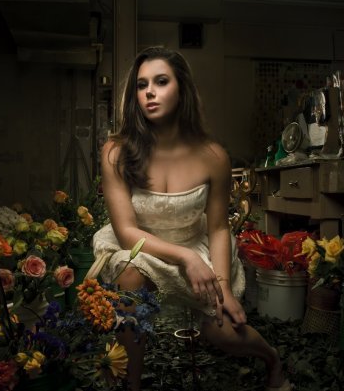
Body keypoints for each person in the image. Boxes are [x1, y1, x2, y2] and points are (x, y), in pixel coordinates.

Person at [92, 46, 291, 391]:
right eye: (141, 85)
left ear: (182, 88)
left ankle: (272, 359)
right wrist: (184, 258)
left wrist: (223, 286)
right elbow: (126, 233)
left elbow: (218, 227)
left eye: (161, 81)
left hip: (198, 247)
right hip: (143, 247)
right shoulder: (116, 151)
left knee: (222, 331)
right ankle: (130, 384)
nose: (149, 92)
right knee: (128, 271)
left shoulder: (214, 156)